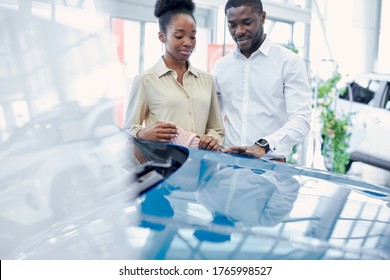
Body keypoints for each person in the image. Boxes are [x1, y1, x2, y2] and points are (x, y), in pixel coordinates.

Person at [212, 0, 312, 161]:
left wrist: (264, 145)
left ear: (262, 17)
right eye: (232, 25)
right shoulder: (221, 67)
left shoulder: (289, 62)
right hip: (228, 164)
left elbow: (301, 120)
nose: (239, 31)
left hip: (270, 166)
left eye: (247, 22)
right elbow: (213, 118)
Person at [124, 0, 224, 151]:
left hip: (200, 166)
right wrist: (142, 133)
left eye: (193, 36)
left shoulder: (206, 79)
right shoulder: (145, 80)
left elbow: (217, 129)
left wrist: (213, 139)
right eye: (179, 36)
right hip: (163, 167)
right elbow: (127, 131)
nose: (188, 43)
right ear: (162, 36)